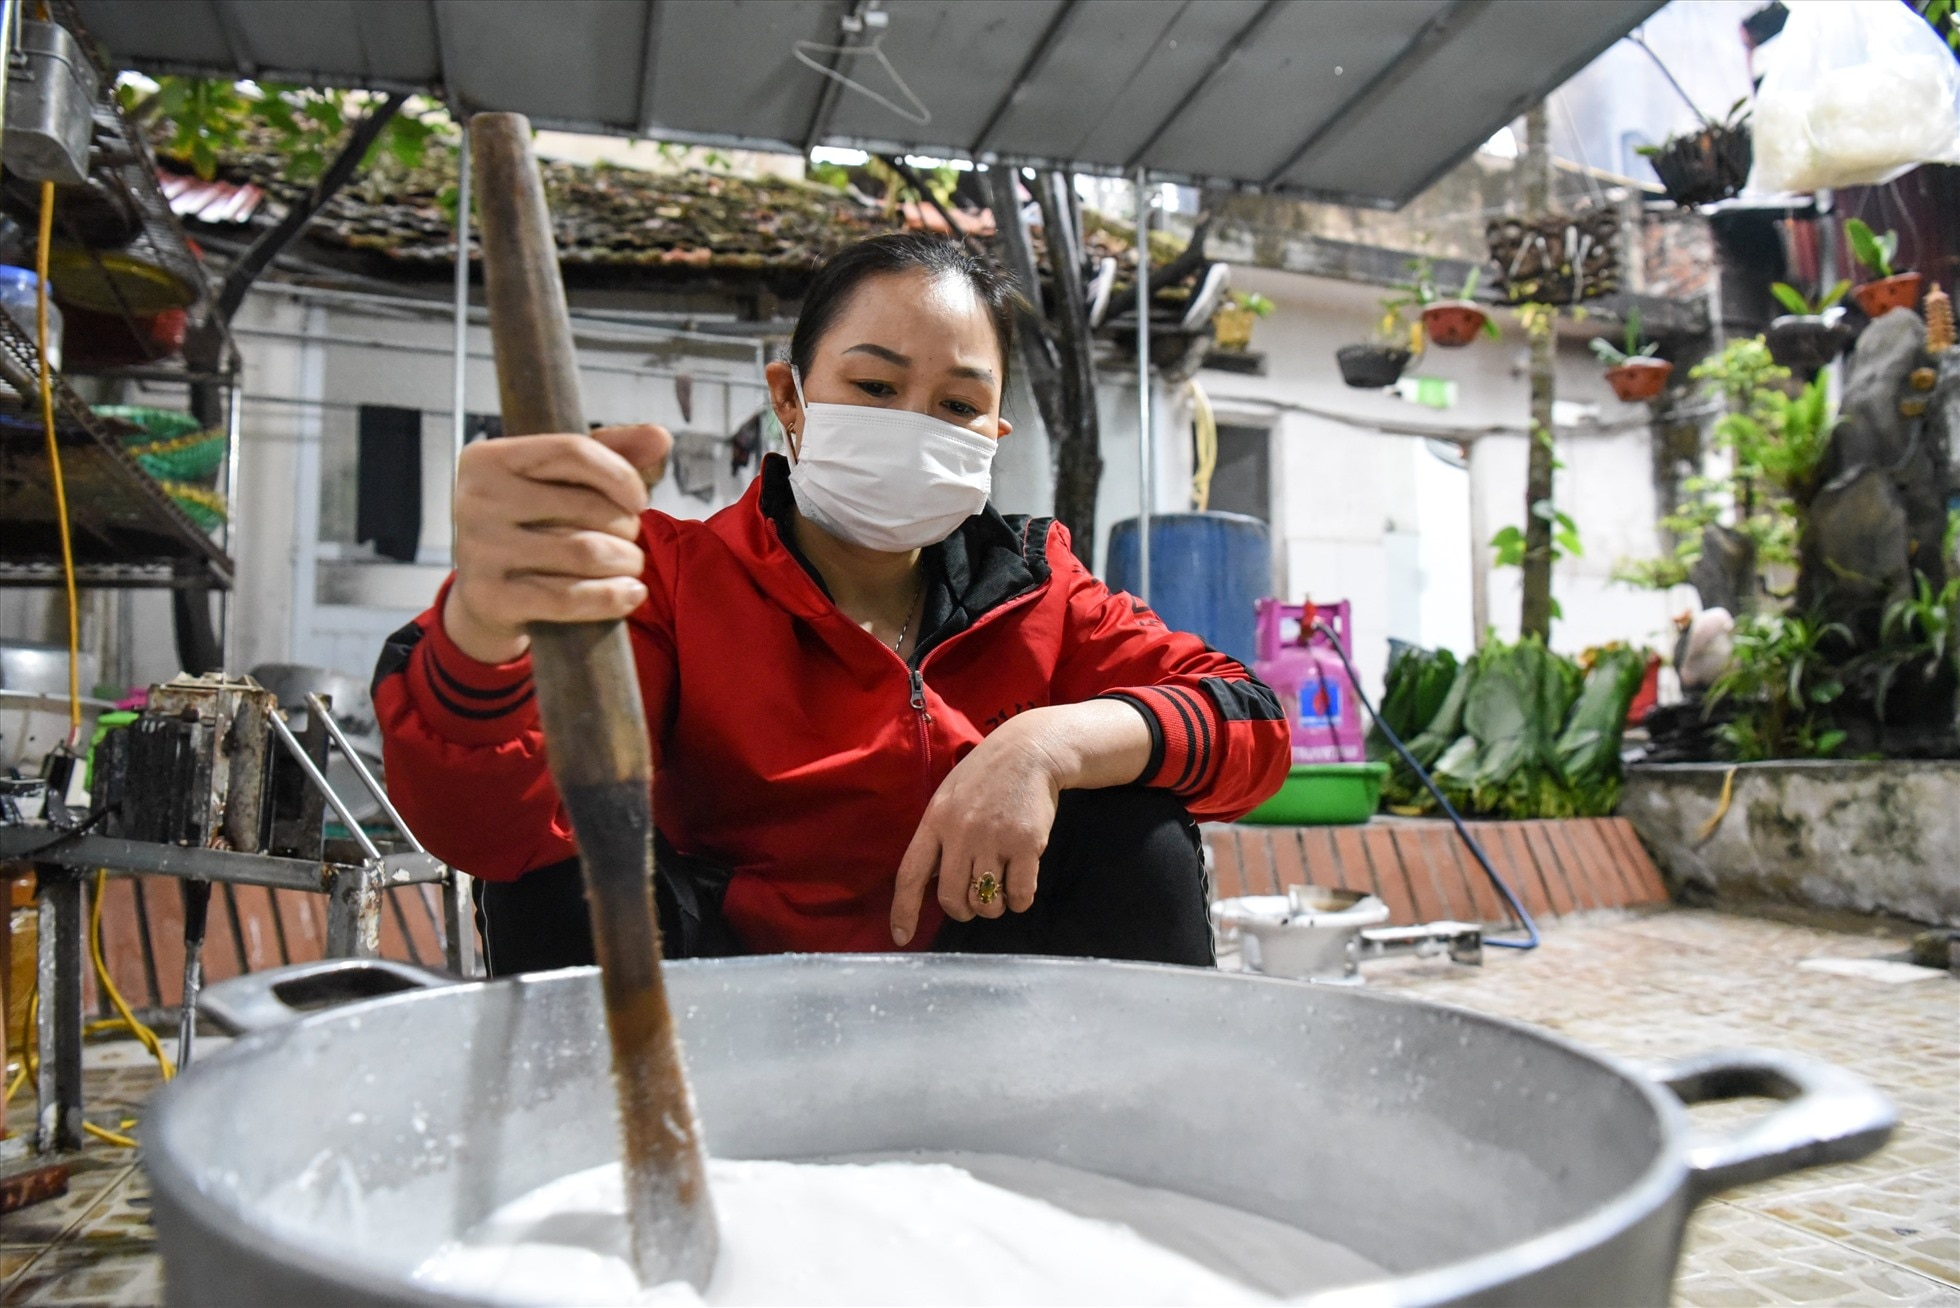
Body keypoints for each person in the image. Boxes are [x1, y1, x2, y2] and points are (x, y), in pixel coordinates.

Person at [374, 232, 1288, 976]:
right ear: (792, 399)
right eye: (877, 387)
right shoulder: (667, 578)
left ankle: (1141, 1148)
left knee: (1138, 825)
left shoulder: (1039, 587)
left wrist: (1045, 747)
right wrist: (485, 631)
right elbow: (494, 828)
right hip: (721, 1016)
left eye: (958, 405)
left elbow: (1248, 723)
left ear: (996, 432)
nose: (914, 426)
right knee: (568, 867)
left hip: (984, 1010)